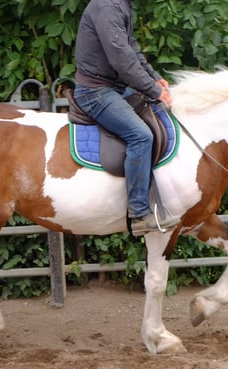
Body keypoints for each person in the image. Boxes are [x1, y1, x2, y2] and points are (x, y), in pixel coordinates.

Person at [74, 0, 180, 236]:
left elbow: (131, 49)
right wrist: (153, 91)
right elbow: (121, 59)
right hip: (96, 92)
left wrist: (154, 78)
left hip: (115, 88)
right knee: (141, 136)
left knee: (158, 115)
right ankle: (139, 214)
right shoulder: (108, 6)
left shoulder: (121, 4)